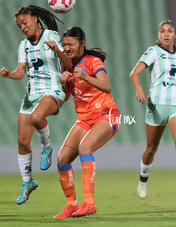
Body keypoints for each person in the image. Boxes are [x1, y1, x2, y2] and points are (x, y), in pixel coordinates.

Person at [0, 5, 72, 205]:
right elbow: (21, 71)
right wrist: (9, 74)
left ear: (35, 19)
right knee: (22, 142)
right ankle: (27, 182)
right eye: (19, 25)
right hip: (31, 95)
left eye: (24, 23)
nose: (22, 27)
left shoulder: (52, 36)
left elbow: (70, 63)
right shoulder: (23, 46)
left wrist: (57, 49)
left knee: (38, 117)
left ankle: (47, 147)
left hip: (53, 90)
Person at [129, 19, 176, 201]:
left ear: (175, 35)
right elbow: (134, 74)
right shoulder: (153, 52)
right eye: (162, 31)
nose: (166, 34)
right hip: (156, 106)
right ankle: (143, 179)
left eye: (169, 31)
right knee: (152, 148)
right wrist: (139, 90)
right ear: (158, 36)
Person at [53, 26, 120, 219]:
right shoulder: (67, 65)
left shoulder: (93, 61)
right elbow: (66, 98)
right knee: (62, 159)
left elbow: (107, 86)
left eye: (70, 44)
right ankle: (71, 205)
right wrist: (65, 83)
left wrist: (85, 76)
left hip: (107, 115)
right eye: (64, 44)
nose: (66, 48)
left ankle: (89, 203)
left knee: (85, 148)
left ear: (82, 44)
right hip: (84, 118)